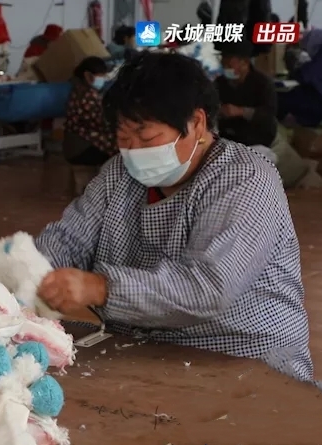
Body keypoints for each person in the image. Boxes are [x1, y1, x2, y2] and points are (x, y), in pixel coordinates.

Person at [35, 51, 316, 386]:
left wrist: (100, 288)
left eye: (147, 136)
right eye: (123, 138)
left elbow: (209, 288)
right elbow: (68, 238)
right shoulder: (118, 176)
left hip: (244, 357)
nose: (134, 150)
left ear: (196, 123)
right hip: (146, 352)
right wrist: (33, 270)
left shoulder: (245, 179)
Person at [215, 42, 278, 147]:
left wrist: (241, 111)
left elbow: (269, 114)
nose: (225, 67)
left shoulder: (263, 83)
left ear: (245, 63)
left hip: (257, 137)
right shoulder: (220, 82)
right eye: (223, 63)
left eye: (229, 65)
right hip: (227, 135)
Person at [62, 57, 116, 167]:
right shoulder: (87, 96)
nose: (103, 79)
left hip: (77, 145)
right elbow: (103, 123)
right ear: (88, 76)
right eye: (101, 75)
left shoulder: (79, 89)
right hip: (82, 148)